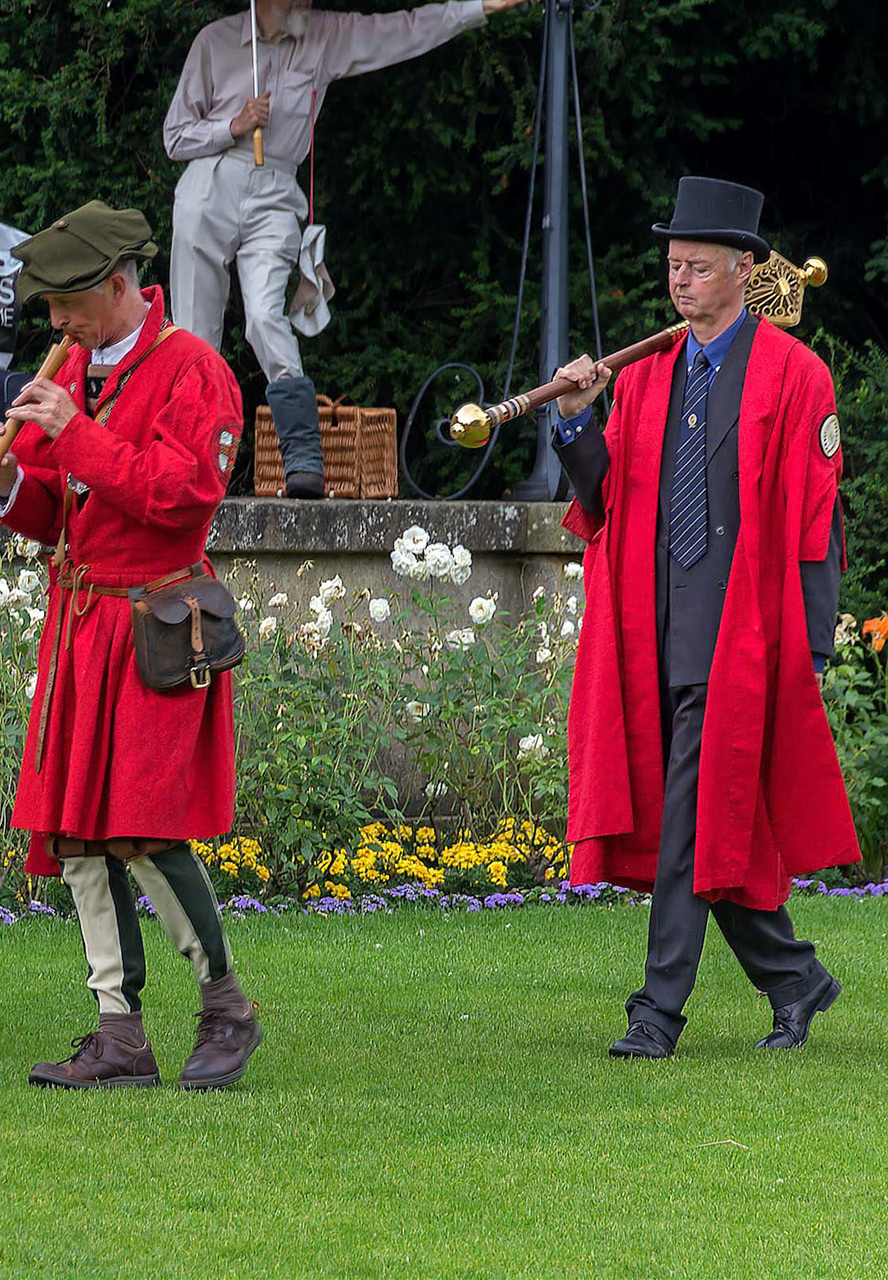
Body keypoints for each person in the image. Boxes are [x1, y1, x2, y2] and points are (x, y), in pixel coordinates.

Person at [550, 176, 853, 1059]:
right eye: (672, 267)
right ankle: (795, 979)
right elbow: (609, 500)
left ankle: (657, 1014)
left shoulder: (797, 377)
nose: (678, 282)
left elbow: (815, 517)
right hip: (654, 631)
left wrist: (815, 640)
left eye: (696, 267)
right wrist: (576, 424)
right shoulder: (646, 374)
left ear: (743, 269)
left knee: (688, 817)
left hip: (747, 637)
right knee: (713, 819)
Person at [0, 201, 257, 1091]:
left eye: (65, 304)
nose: (54, 323)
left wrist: (74, 432)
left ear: (117, 286)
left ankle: (225, 1008)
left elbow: (181, 498)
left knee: (143, 829)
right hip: (83, 626)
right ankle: (118, 1030)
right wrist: (13, 475)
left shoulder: (194, 370)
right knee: (77, 837)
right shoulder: (85, 373)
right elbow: (63, 514)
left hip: (153, 624)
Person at [162, 0, 526, 497]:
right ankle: (188, 464)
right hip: (210, 184)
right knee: (194, 333)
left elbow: (400, 31)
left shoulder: (325, 35)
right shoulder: (214, 41)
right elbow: (175, 137)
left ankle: (303, 463)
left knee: (266, 318)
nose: (306, 3)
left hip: (276, 190)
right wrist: (234, 124)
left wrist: (478, 8)